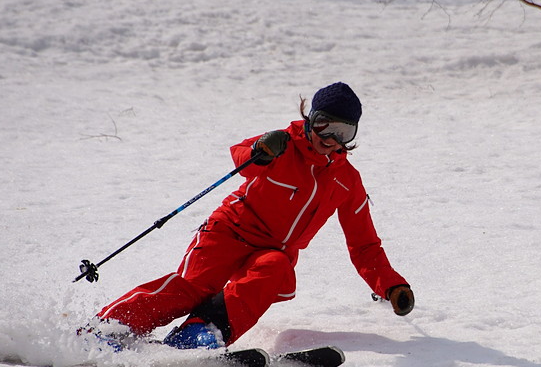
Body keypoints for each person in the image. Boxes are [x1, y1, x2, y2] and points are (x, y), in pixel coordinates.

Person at [81, 82, 414, 351]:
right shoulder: (284, 144)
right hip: (229, 231)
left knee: (275, 268)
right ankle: (108, 327)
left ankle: (203, 332)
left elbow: (364, 245)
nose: (331, 140)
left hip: (271, 251)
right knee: (195, 285)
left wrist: (392, 286)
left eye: (344, 132)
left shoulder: (347, 181)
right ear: (311, 118)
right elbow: (242, 156)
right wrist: (261, 153)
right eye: (325, 126)